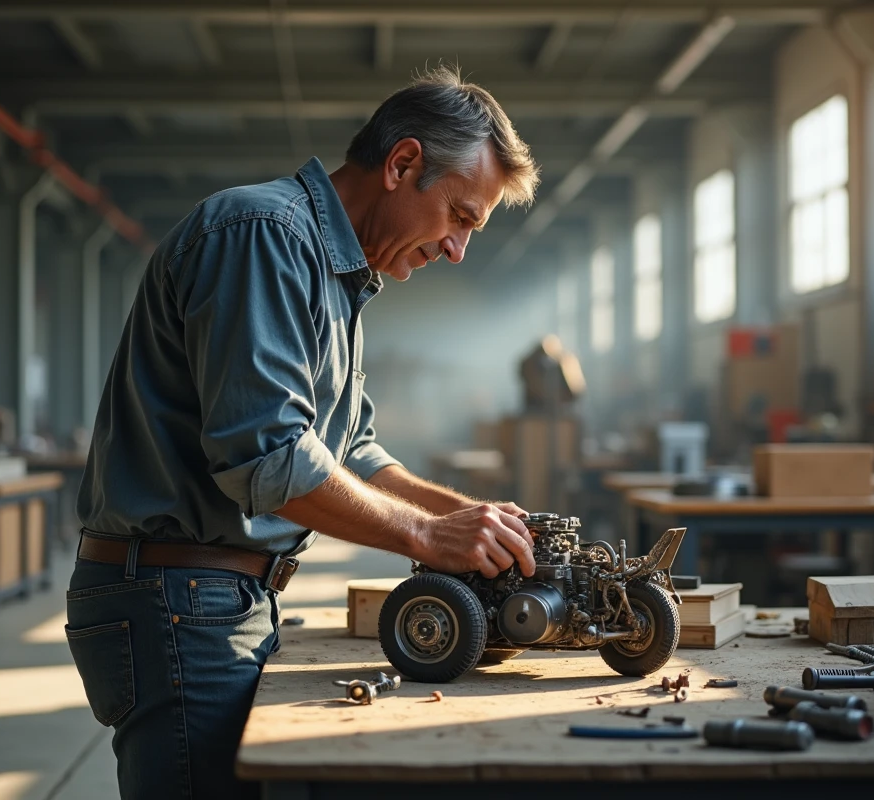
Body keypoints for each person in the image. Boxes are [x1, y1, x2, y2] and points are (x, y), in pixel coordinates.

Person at [66, 65, 541, 799]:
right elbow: (269, 455)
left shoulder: (336, 273)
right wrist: (424, 538)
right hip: (175, 595)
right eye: (460, 216)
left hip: (212, 592)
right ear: (403, 163)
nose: (458, 249)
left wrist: (466, 520)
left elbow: (349, 448)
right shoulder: (263, 236)